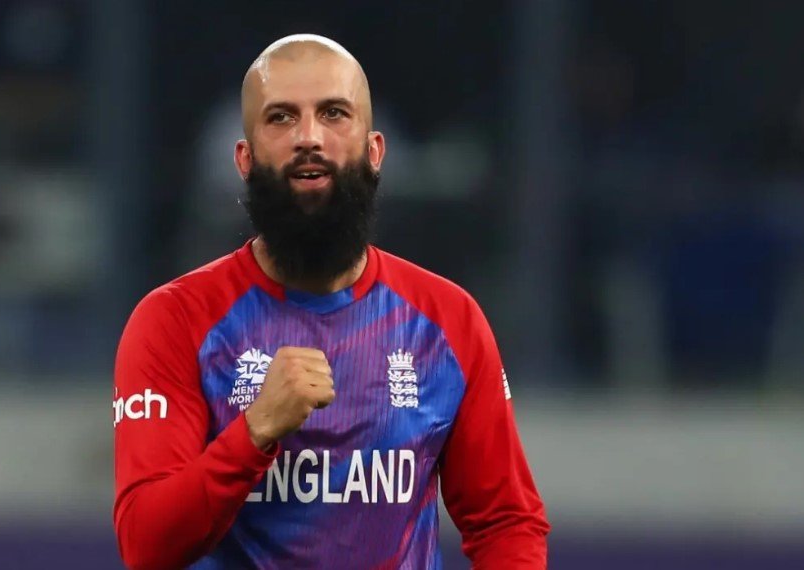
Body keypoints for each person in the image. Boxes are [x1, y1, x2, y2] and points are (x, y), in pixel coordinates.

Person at [112, 34, 550, 569]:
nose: (308, 137)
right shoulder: (175, 320)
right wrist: (254, 431)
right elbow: (147, 545)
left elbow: (505, 521)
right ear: (245, 160)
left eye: (334, 113)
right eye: (281, 118)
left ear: (375, 151)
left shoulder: (447, 320)